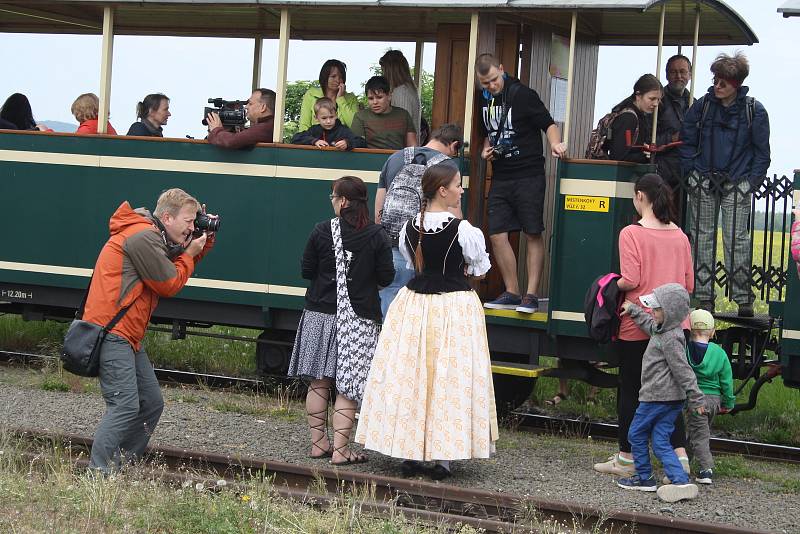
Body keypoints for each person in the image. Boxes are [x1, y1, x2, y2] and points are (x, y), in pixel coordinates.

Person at [356, 163, 496, 481]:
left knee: (413, 377)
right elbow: (480, 271)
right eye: (458, 185)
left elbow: (414, 263)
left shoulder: (409, 227)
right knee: (449, 380)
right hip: (455, 308)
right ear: (443, 191)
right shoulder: (464, 230)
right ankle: (443, 457)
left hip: (414, 305)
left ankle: (410, 452)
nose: (462, 190)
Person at [85, 188, 216, 473]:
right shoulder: (143, 236)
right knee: (124, 406)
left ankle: (118, 465)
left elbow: (176, 263)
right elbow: (169, 282)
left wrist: (200, 244)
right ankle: (97, 474)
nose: (192, 227)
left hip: (127, 334)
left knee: (151, 403)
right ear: (167, 218)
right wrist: (190, 252)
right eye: (189, 221)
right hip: (113, 332)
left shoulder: (151, 235)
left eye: (196, 222)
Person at [288, 176, 394, 465]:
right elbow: (386, 277)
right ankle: (341, 450)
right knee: (348, 387)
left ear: (343, 201)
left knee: (319, 382)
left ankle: (318, 443)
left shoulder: (322, 230)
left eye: (333, 197)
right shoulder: (376, 235)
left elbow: (306, 269)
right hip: (359, 319)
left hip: (319, 314)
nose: (332, 201)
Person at [594, 174, 693, 480]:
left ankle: (627, 459)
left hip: (640, 325)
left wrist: (608, 282)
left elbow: (632, 279)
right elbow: (687, 285)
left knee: (632, 391)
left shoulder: (631, 233)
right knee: (672, 392)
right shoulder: (681, 236)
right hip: (678, 324)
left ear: (640, 196)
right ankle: (681, 459)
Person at [680, 52, 771, 317]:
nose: (716, 86)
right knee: (702, 238)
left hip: (737, 181)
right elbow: (687, 140)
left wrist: (751, 182)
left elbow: (761, 151)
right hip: (703, 179)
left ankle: (743, 299)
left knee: (737, 240)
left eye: (723, 82)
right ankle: (705, 297)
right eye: (715, 80)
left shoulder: (754, 110)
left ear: (737, 84)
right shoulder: (702, 106)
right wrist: (691, 172)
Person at [475, 53, 567, 313]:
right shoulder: (483, 100)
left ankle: (531, 294)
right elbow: (487, 133)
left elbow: (548, 124)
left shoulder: (523, 94)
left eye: (494, 80)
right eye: (485, 83)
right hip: (501, 175)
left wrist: (555, 144)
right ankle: (512, 291)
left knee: (532, 231)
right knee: (496, 233)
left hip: (529, 173)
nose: (491, 86)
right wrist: (485, 151)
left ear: (502, 69)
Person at [617, 283, 704, 503]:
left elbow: (683, 369)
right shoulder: (664, 329)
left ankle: (644, 478)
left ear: (671, 313)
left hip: (657, 398)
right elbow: (649, 324)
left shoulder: (670, 338)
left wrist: (696, 397)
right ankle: (680, 480)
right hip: (670, 400)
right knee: (659, 440)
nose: (652, 312)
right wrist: (635, 310)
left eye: (656, 309)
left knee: (635, 434)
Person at [374, 123, 463, 316]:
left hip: (394, 243)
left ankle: (386, 341)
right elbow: (455, 214)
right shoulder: (447, 166)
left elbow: (379, 209)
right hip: (431, 249)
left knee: (391, 293)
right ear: (454, 145)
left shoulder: (395, 158)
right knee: (426, 301)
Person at [684, 308, 734, 485]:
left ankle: (706, 470)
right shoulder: (719, 353)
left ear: (690, 330)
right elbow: (727, 381)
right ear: (713, 332)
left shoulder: (686, 350)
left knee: (699, 435)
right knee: (697, 432)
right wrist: (728, 402)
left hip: (696, 401)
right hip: (714, 401)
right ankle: (684, 463)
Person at [658, 55, 693, 217]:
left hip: (687, 176)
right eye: (673, 72)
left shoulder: (695, 105)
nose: (678, 76)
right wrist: (672, 139)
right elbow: (646, 139)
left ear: (690, 75)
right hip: (661, 174)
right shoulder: (657, 102)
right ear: (666, 75)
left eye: (682, 72)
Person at [607, 74, 663, 164]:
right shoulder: (628, 118)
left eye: (658, 99)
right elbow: (618, 156)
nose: (656, 104)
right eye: (652, 99)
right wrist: (644, 154)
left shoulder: (637, 115)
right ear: (638, 95)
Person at [350, 76, 417, 150]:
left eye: (379, 97)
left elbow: (412, 146)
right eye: (371, 98)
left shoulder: (404, 115)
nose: (375, 102)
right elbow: (356, 146)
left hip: (397, 160)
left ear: (389, 96)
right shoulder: (360, 116)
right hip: (369, 160)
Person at [299, 59, 360, 131]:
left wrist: (340, 99)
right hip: (315, 141)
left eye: (341, 77)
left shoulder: (351, 98)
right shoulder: (311, 94)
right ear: (325, 77)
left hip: (342, 141)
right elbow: (304, 126)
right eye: (333, 76)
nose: (338, 80)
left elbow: (355, 126)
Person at [207, 88, 275, 149]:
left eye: (250, 104)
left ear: (263, 107)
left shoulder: (265, 128)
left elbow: (231, 141)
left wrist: (215, 130)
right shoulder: (268, 125)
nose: (246, 107)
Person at [290, 97, 365, 150]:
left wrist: (347, 143)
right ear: (316, 118)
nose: (328, 121)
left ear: (336, 115)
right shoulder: (314, 130)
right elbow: (296, 138)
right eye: (324, 118)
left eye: (331, 117)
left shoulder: (343, 130)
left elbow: (361, 142)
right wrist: (314, 141)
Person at [380, 49, 421, 139]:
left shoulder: (401, 92)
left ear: (390, 71)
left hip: (402, 149)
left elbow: (401, 127)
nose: (383, 74)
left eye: (384, 70)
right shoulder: (408, 89)